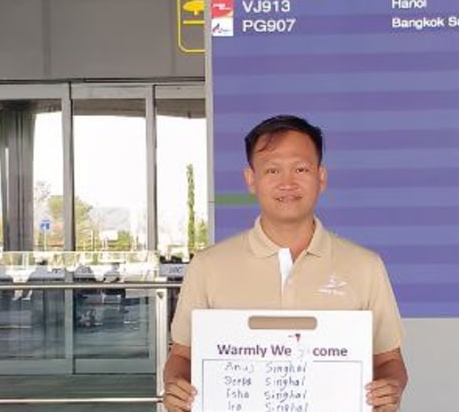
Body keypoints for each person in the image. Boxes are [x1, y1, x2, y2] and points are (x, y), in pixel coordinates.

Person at [163, 115, 407, 412]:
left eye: (301, 168)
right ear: (251, 179)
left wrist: (391, 388)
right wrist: (176, 386)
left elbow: (390, 361)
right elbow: (182, 356)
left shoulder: (365, 266)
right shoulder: (207, 266)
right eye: (272, 170)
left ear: (321, 177)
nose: (287, 183)